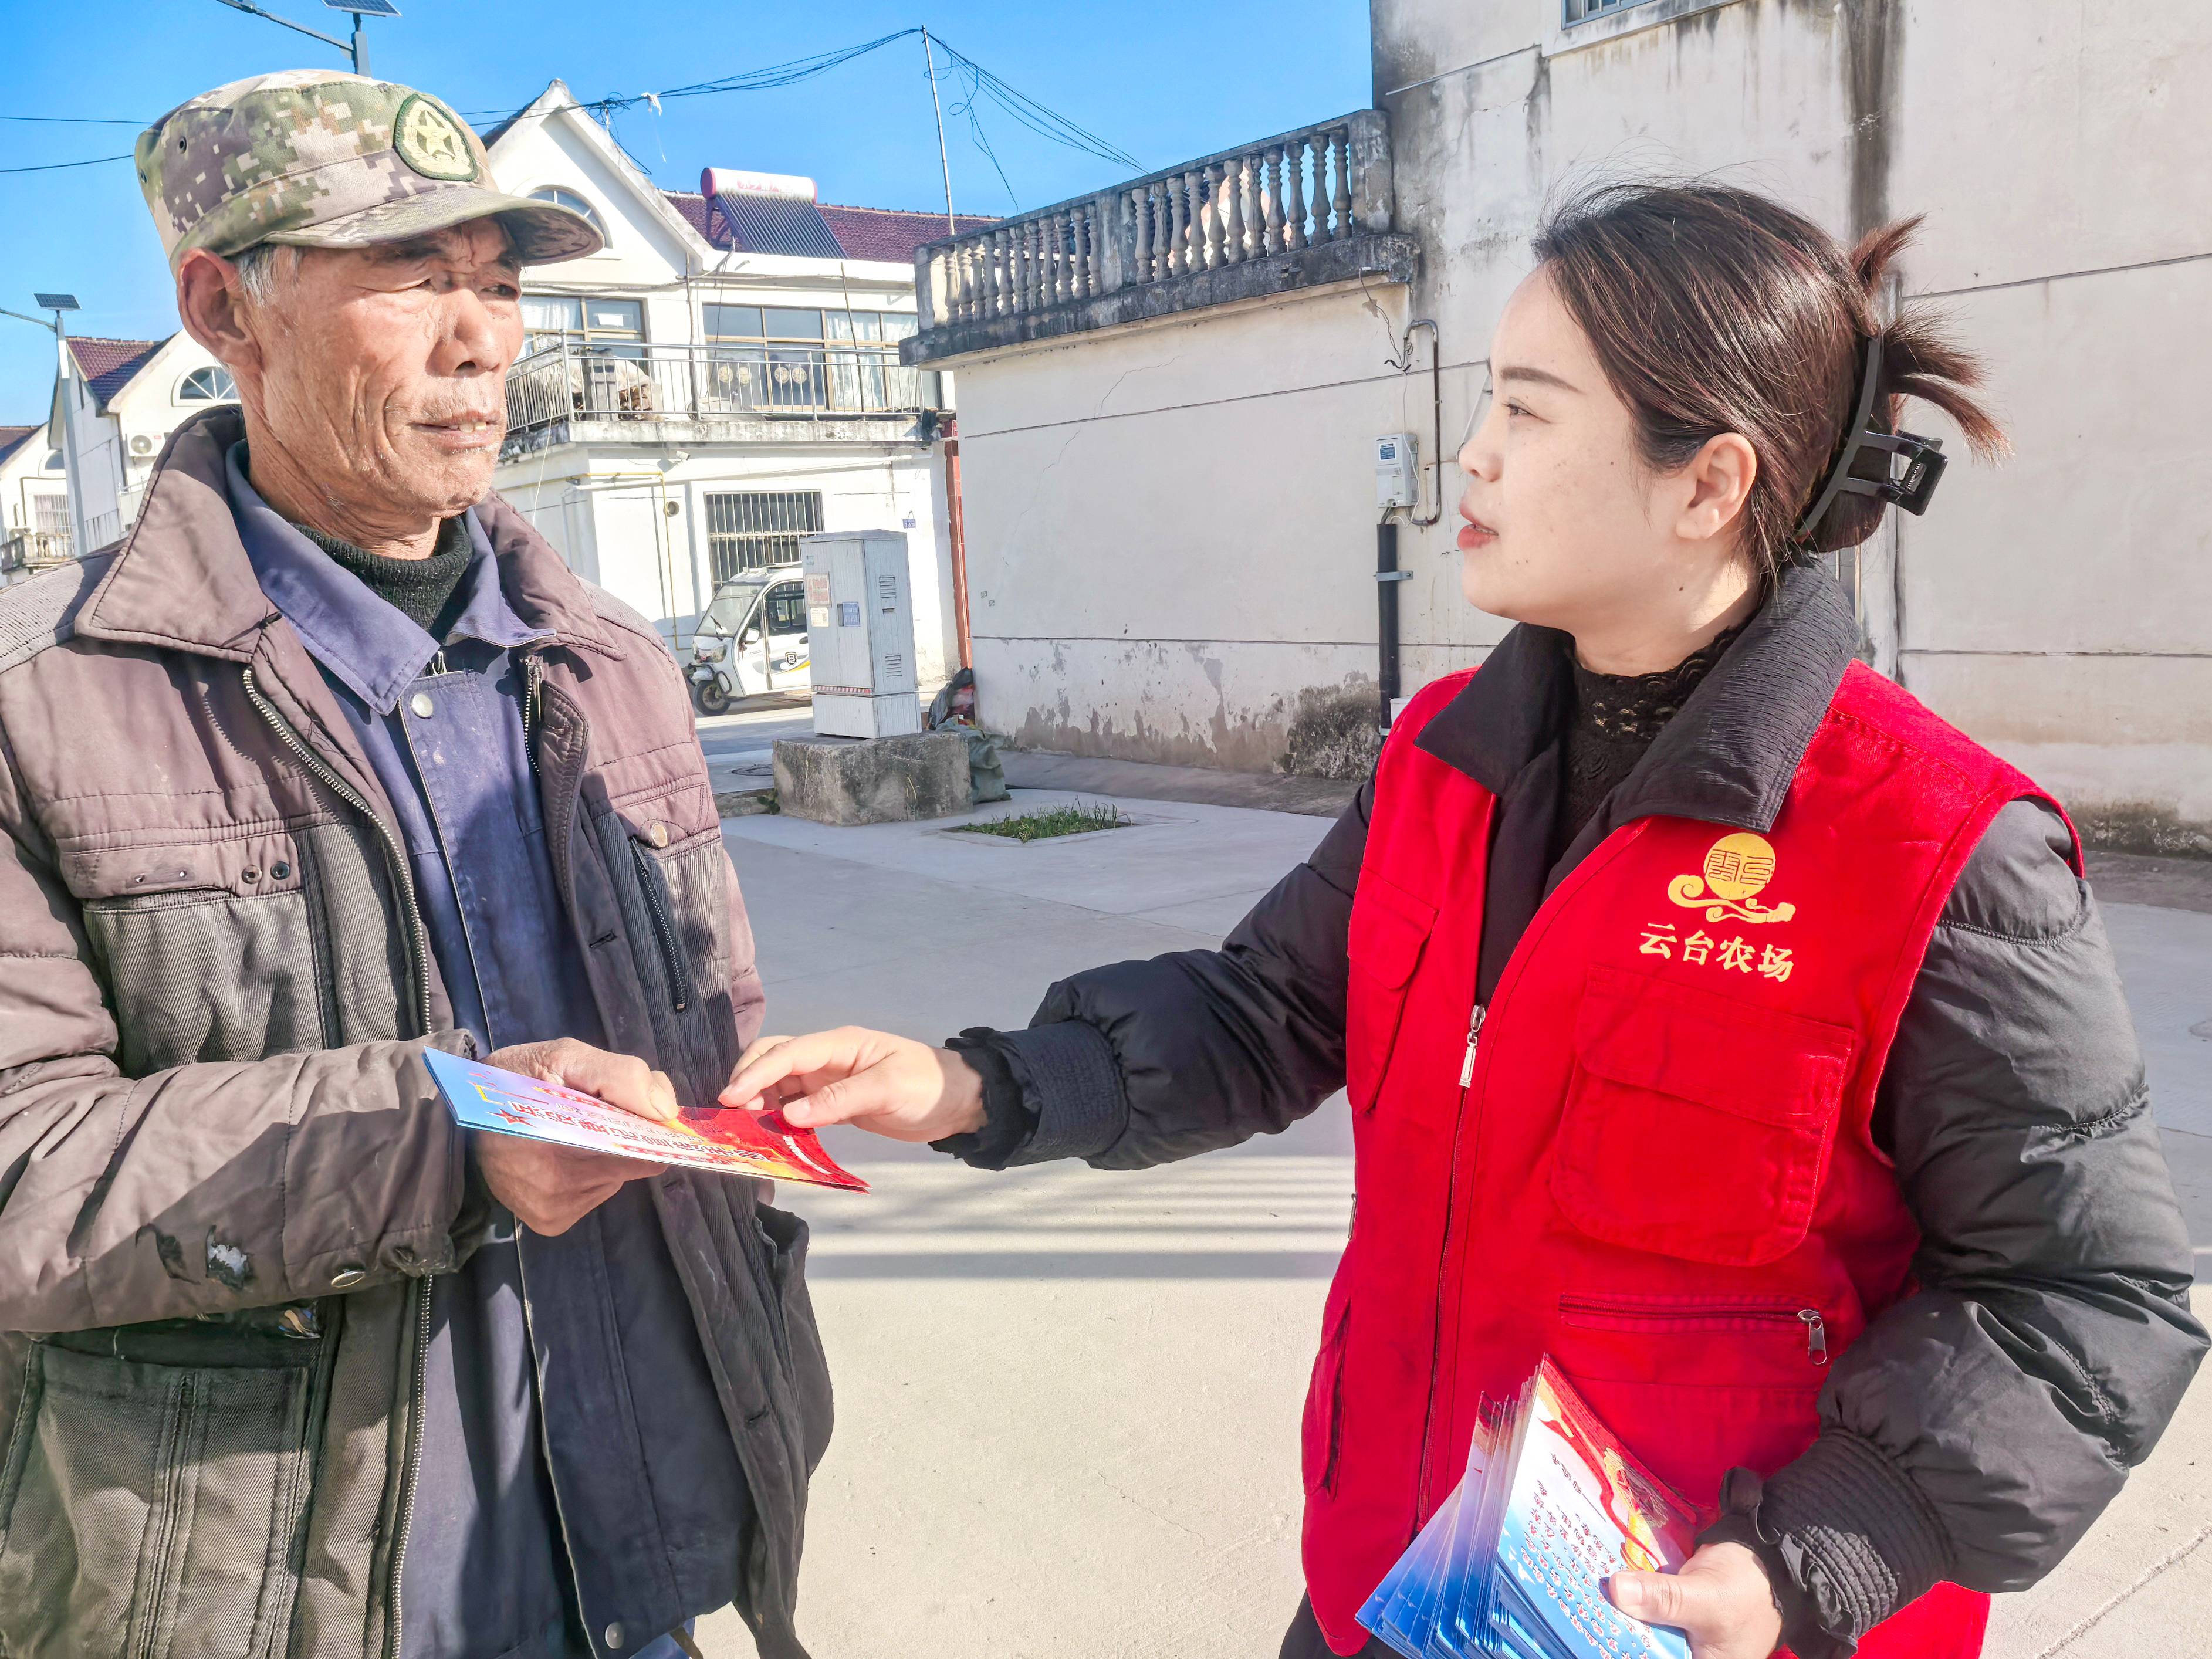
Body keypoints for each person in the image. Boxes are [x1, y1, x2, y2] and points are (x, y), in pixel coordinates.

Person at [722, 184, 2207, 1659]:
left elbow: (2089, 1294)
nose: (1472, 456)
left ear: (1707, 485)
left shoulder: (1938, 845)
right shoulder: (1439, 756)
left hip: (1701, 1620)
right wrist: (976, 1082)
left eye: (1529, 410)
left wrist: (1815, 1553)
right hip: (1400, 1576)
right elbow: (1268, 1009)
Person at [0, 73, 828, 1659]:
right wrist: (450, 1135)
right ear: (222, 308)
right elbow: (22, 1164)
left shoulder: (613, 664)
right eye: (414, 278)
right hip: (261, 1593)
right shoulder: (43, 701)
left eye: (500, 284)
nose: (484, 341)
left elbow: (712, 1016)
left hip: (642, 1563)